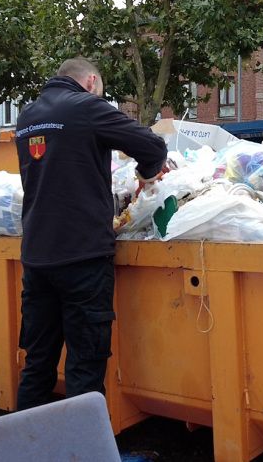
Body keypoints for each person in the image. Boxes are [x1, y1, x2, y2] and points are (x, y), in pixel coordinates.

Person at [13, 57, 168, 410]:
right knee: (84, 365)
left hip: (37, 256)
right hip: (82, 257)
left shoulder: (27, 117)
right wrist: (147, 174)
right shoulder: (86, 106)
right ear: (92, 81)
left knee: (37, 364)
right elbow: (152, 146)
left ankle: (27, 445)